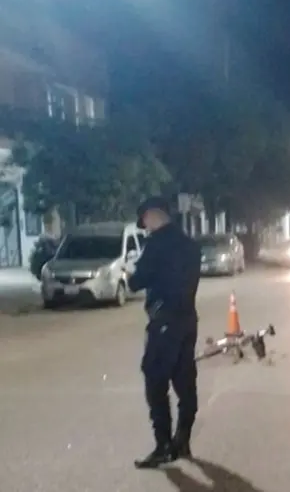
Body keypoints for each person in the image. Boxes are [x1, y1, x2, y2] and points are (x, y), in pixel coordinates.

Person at [126, 197, 202, 469]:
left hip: (164, 322)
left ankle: (163, 445)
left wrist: (131, 273)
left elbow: (137, 282)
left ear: (152, 215)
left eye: (145, 221)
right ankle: (183, 439)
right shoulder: (190, 245)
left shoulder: (156, 245)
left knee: (155, 380)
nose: (145, 227)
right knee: (185, 382)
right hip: (188, 319)